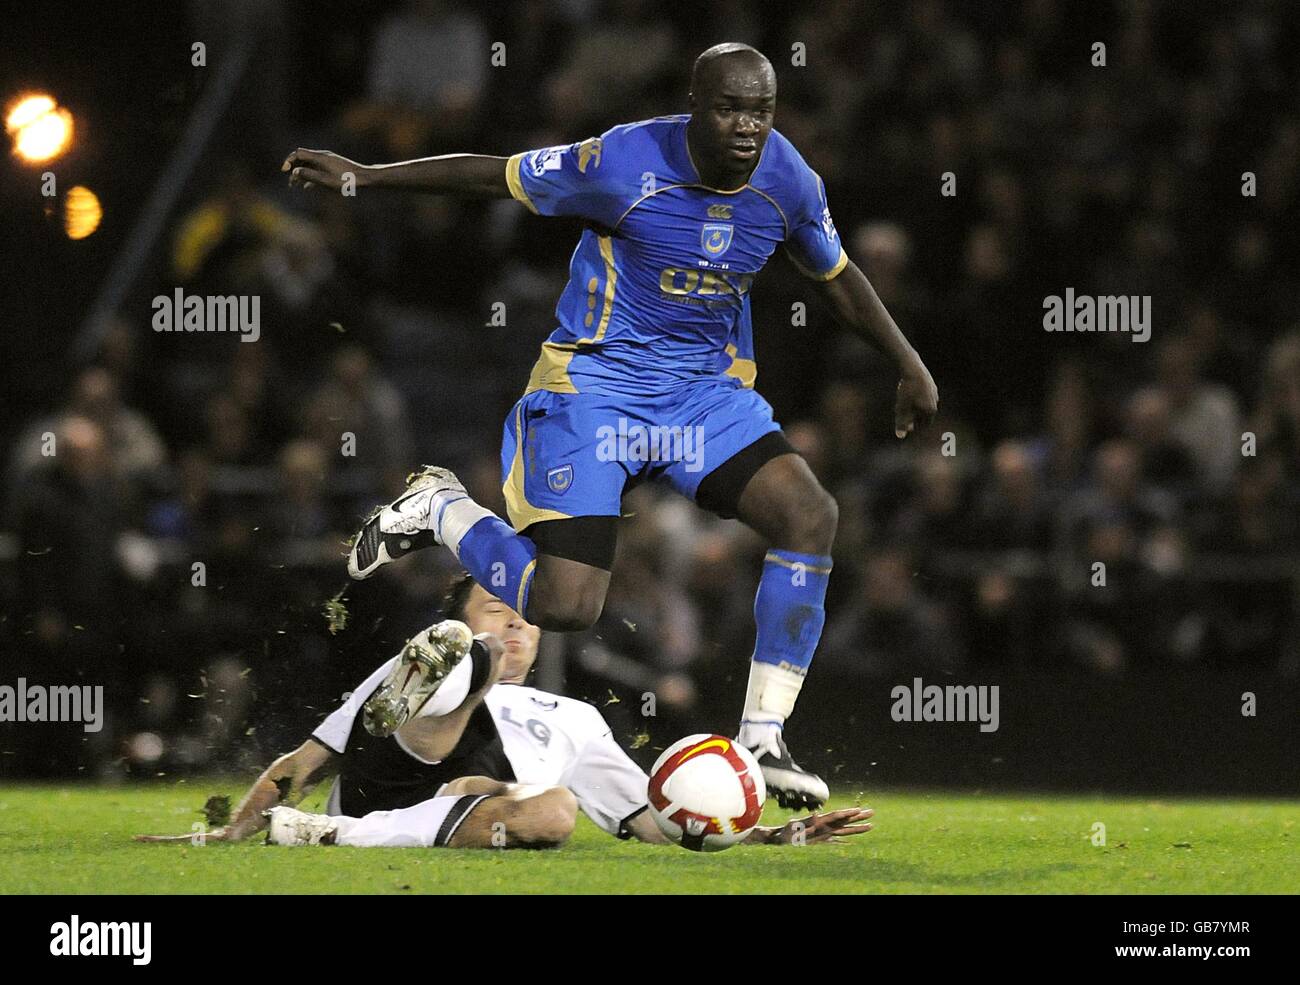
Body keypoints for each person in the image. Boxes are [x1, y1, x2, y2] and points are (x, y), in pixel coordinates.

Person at [281, 43, 938, 809]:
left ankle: (763, 736)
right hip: (596, 385)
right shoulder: (621, 162)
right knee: (566, 608)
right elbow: (493, 174)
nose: (746, 129)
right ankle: (443, 509)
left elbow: (837, 277)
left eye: (760, 112)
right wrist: (369, 175)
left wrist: (909, 361)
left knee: (810, 513)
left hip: (702, 395)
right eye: (729, 109)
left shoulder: (787, 178)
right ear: (695, 105)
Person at [134, 574, 874, 848]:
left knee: (552, 812)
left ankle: (334, 834)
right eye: (498, 610)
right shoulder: (407, 673)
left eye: (525, 617)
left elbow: (653, 819)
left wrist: (775, 834)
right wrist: (231, 832)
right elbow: (303, 761)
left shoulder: (575, 718)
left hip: (447, 816)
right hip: (393, 770)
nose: (518, 623)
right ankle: (464, 664)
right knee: (453, 692)